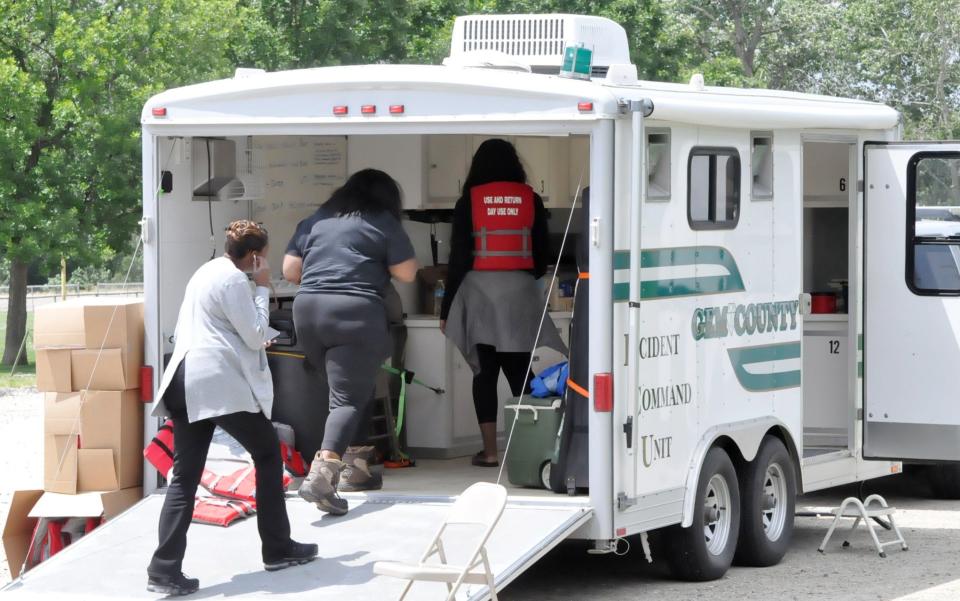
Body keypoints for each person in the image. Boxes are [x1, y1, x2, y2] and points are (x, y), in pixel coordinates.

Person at [147, 220, 317, 596]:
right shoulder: (236, 281)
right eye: (264, 260)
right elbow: (255, 334)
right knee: (269, 456)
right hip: (214, 382)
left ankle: (163, 570)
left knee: (184, 478)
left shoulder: (206, 271)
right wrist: (260, 287)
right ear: (256, 257)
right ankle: (277, 549)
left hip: (182, 378)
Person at [283, 169, 418, 514]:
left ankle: (356, 471)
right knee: (346, 398)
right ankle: (323, 474)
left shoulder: (316, 219)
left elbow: (290, 271)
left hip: (308, 312)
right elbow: (407, 273)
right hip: (354, 312)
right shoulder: (383, 222)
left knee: (348, 392)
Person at [440, 138, 567, 468]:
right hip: (520, 294)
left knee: (483, 373)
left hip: (479, 294)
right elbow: (541, 254)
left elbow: (458, 258)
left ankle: (490, 452)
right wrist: (525, 277)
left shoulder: (469, 201)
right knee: (520, 372)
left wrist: (446, 308)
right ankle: (528, 446)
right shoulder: (530, 199)